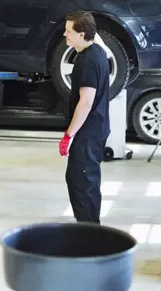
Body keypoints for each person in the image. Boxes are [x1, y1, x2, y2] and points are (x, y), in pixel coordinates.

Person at [58, 11, 111, 224]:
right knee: (83, 179)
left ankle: (90, 234)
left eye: (69, 31)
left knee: (82, 183)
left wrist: (69, 135)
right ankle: (89, 231)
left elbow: (86, 101)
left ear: (81, 35)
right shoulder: (98, 51)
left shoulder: (87, 61)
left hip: (87, 131)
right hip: (97, 128)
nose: (65, 35)